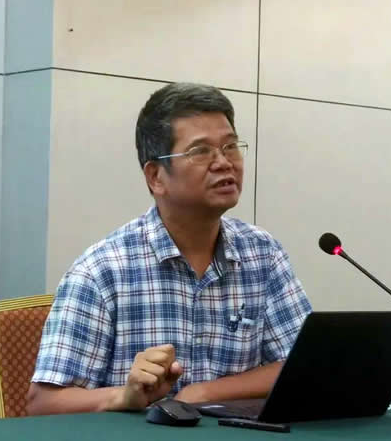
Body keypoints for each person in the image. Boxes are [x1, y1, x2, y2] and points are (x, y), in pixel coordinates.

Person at [26, 83, 311, 415]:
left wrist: (203, 392)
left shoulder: (263, 254)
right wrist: (124, 397)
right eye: (200, 151)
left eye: (231, 146)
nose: (224, 163)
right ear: (156, 177)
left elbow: (302, 365)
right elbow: (43, 403)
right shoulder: (102, 270)